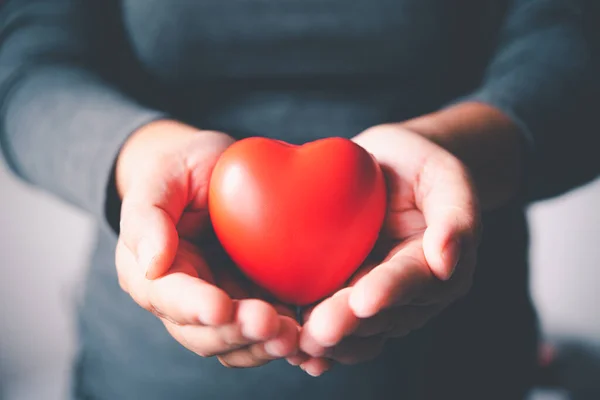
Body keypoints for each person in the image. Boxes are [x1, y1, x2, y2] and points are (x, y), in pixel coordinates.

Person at [0, 0, 597, 399]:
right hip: (145, 375)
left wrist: (449, 147)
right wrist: (141, 157)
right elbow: (24, 61)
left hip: (458, 369)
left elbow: (577, 41)